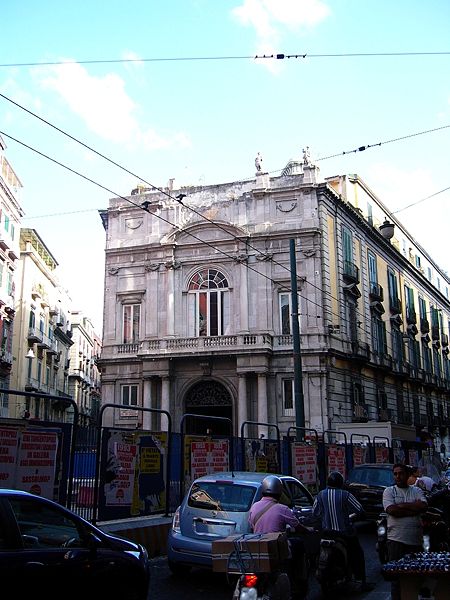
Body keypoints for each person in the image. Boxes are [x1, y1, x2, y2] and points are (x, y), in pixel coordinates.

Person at [248, 475, 313, 598]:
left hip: (258, 548)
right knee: (298, 544)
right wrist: (307, 530)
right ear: (279, 491)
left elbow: (252, 526)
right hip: (277, 549)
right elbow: (297, 526)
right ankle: (297, 582)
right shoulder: (282, 509)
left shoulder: (254, 506)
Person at [312, 471, 371, 591]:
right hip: (344, 534)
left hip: (326, 533)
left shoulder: (320, 494)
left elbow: (315, 512)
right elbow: (360, 510)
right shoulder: (346, 495)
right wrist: (353, 517)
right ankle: (361, 581)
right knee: (357, 554)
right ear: (341, 483)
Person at [382, 463, 428, 600]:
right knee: (397, 579)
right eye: (395, 474)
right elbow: (392, 510)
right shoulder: (389, 491)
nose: (398, 476)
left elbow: (423, 507)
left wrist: (401, 506)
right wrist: (413, 508)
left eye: (401, 473)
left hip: (415, 541)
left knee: (416, 577)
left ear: (407, 475)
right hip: (396, 541)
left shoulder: (416, 491)